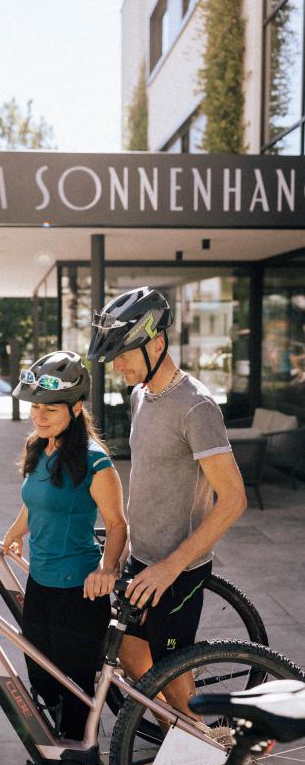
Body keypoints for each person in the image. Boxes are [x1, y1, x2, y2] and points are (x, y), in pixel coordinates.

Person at [87, 286, 247, 715]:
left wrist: (170, 565)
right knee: (133, 657)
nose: (117, 364)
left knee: (174, 672)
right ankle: (177, 734)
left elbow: (233, 499)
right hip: (144, 558)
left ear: (157, 343)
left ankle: (206, 749)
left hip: (177, 569)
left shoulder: (196, 407)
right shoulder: (141, 394)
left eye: (124, 353)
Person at [3, 351, 127, 741]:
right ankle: (64, 745)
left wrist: (106, 568)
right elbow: (34, 499)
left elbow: (117, 523)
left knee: (75, 691)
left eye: (50, 410)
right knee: (41, 678)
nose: (39, 417)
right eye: (35, 407)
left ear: (75, 410)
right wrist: (16, 530)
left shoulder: (95, 462)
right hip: (40, 585)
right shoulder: (39, 447)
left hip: (79, 592)